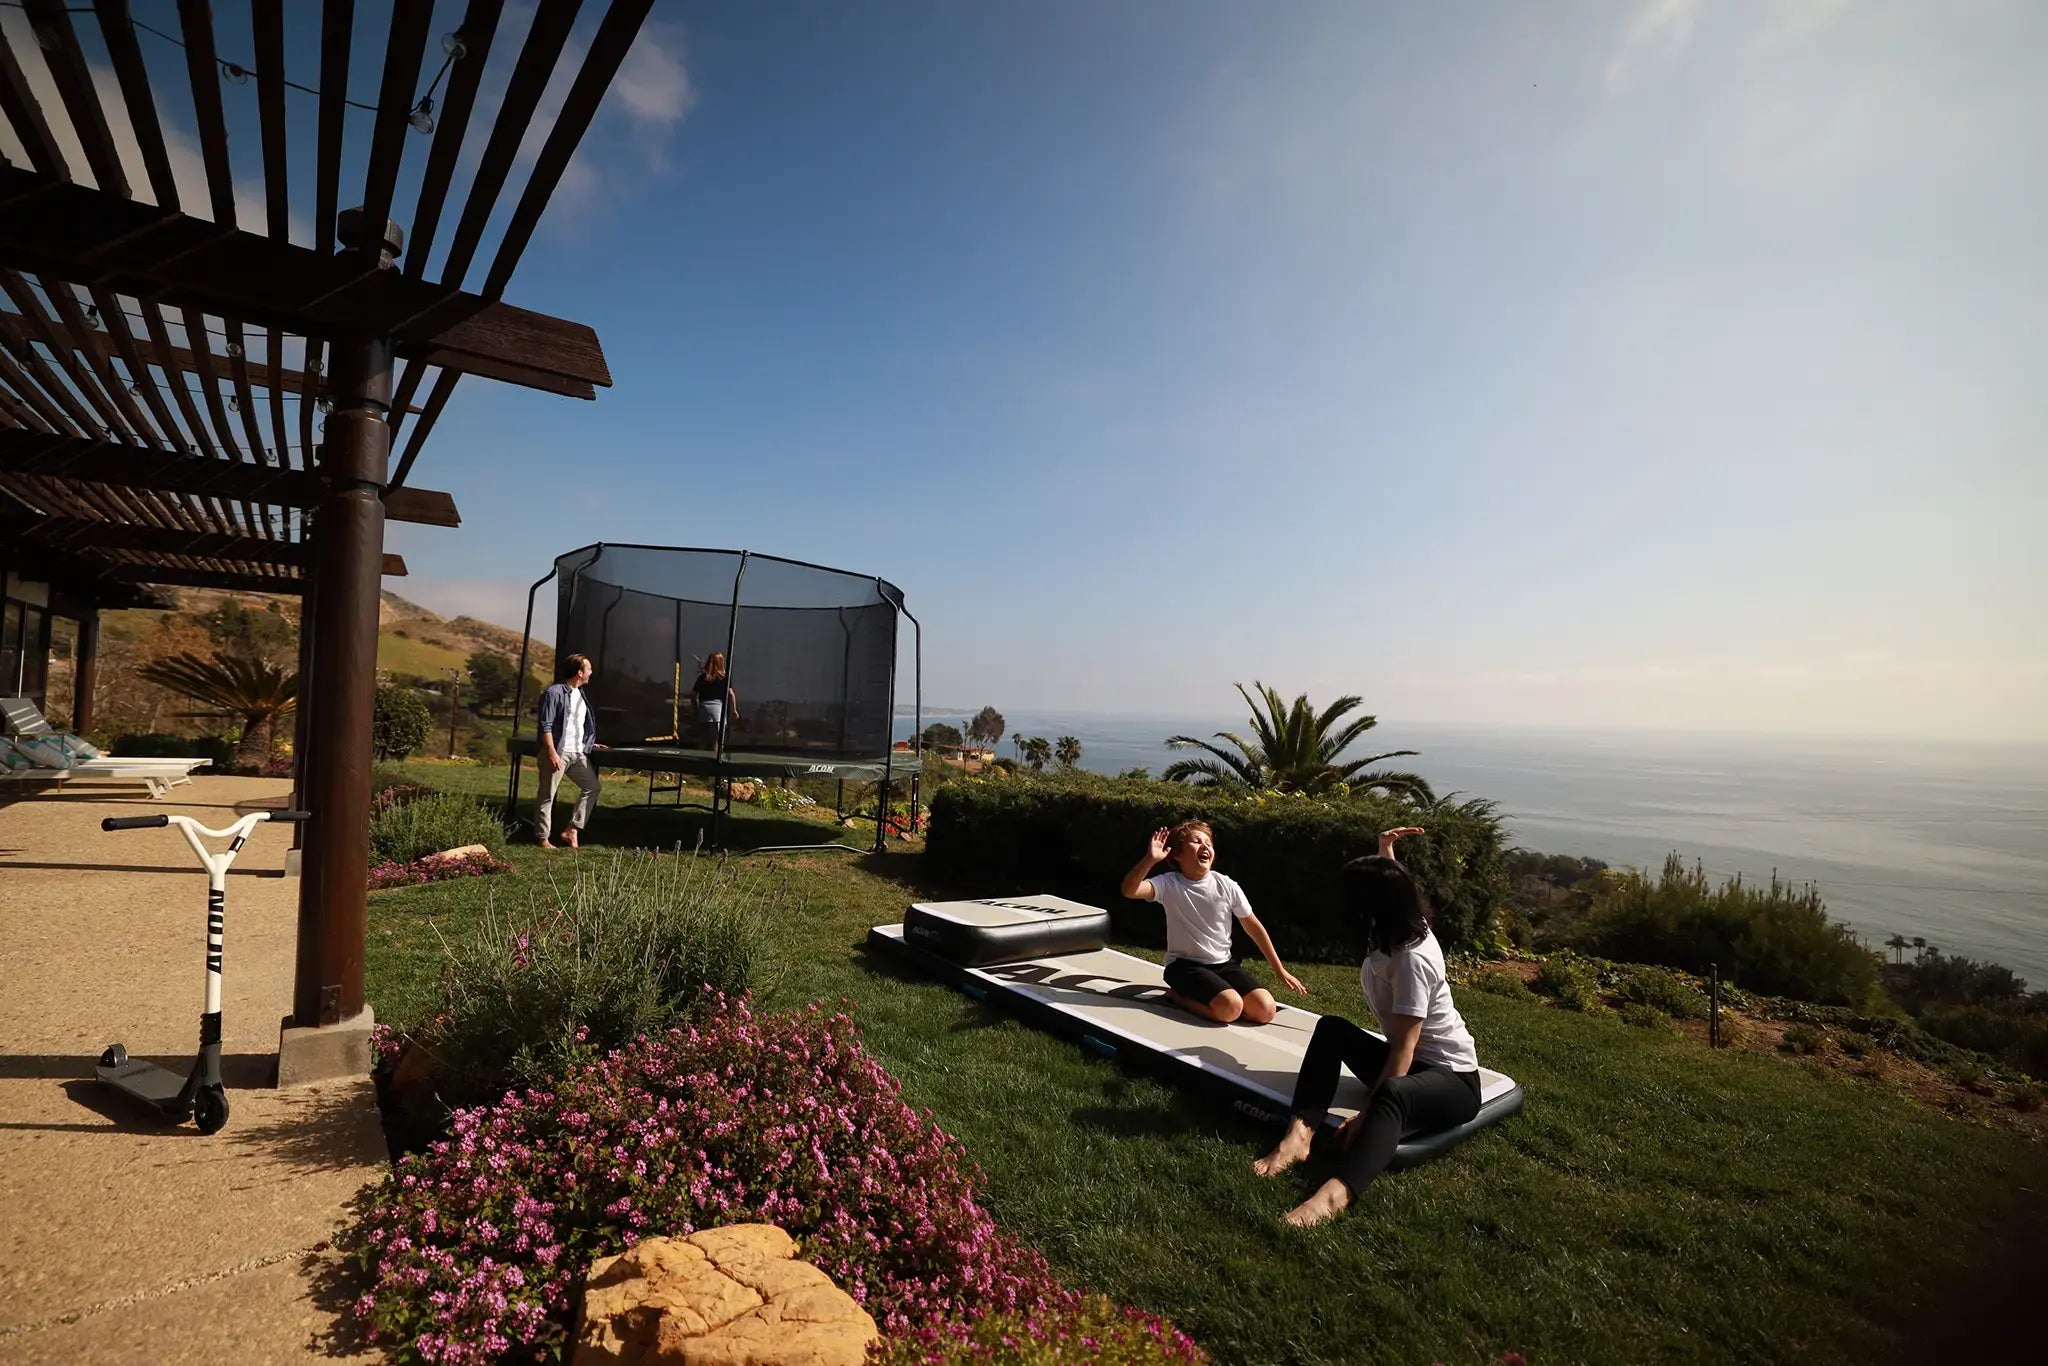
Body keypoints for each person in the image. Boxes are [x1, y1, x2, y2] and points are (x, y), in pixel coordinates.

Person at [1252, 826, 1483, 1226]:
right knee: (1331, 1029)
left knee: (1392, 1092)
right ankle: (1299, 1135)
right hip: (1417, 1067)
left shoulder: (1412, 960)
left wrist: (1368, 1115)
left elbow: (1404, 1049)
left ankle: (1333, 1195)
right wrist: (1384, 853)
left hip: (1453, 1080)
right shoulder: (1398, 925)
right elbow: (1395, 889)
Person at [1120, 820, 1307, 1023]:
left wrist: (1280, 970)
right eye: (1196, 841)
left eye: (1208, 843)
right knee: (1230, 1008)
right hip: (1184, 967)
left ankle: (1220, 1002)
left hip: (1223, 965)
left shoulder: (1226, 885)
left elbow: (1253, 926)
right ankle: (1178, 998)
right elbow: (1129, 890)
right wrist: (1150, 859)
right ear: (1177, 855)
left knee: (1265, 1010)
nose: (1205, 846)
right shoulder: (1169, 884)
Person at [535, 653, 605, 849]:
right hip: (558, 751)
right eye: (589, 668)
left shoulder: (581, 695)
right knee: (547, 795)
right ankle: (543, 838)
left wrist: (589, 743)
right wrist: (551, 752)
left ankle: (572, 829)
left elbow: (577, 726)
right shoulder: (554, 693)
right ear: (580, 672)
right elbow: (545, 726)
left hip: (577, 753)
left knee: (593, 787)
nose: (591, 672)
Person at [692, 651, 740, 756]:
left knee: (703, 738)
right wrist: (734, 710)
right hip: (717, 711)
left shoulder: (702, 678)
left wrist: (696, 709)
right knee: (716, 740)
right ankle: (715, 759)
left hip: (704, 709)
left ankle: (698, 761)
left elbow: (694, 695)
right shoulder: (724, 678)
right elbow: (731, 694)